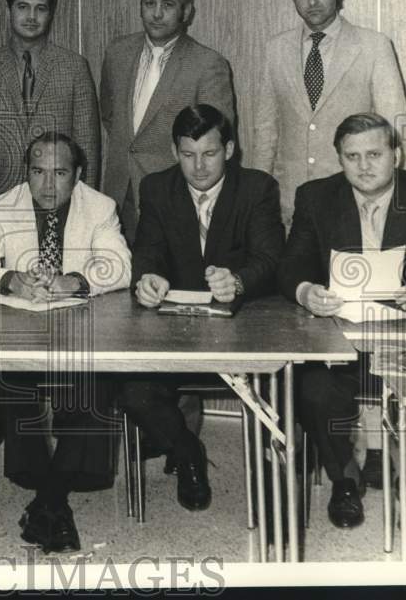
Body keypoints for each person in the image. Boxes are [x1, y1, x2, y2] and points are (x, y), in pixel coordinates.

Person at [278, 113, 406, 533]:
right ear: (339, 159)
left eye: (374, 154)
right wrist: (307, 291)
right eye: (352, 156)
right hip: (342, 338)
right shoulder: (316, 197)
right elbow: (291, 266)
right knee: (313, 390)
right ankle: (345, 478)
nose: (364, 166)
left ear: (396, 154)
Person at [0, 133, 131, 554]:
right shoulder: (1, 207)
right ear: (26, 173)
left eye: (59, 173)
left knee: (96, 381)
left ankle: (48, 502)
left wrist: (75, 280)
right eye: (37, 172)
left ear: (78, 175)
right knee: (11, 377)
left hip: (78, 335)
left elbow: (122, 266)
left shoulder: (100, 206)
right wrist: (9, 279)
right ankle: (50, 501)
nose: (48, 185)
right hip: (20, 338)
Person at [123, 104, 285, 511]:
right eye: (187, 154)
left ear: (229, 149)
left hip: (240, 328)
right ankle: (188, 450)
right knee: (130, 388)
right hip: (172, 330)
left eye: (209, 154)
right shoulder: (157, 188)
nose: (198, 167)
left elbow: (271, 259)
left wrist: (239, 280)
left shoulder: (257, 188)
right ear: (175, 151)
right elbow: (146, 253)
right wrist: (146, 280)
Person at [252, 0, 406, 226]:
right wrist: (256, 203)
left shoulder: (373, 47)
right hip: (290, 209)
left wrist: (391, 208)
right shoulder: (275, 49)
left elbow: (395, 132)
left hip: (356, 206)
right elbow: (266, 132)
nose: (312, 0)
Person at [100, 0, 235, 239]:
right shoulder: (118, 53)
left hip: (175, 199)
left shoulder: (207, 64)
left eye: (168, 5)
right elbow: (110, 115)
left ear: (186, 12)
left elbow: (214, 142)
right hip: (118, 195)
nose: (157, 14)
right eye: (149, 3)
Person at [0, 0, 100, 206]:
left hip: (59, 201)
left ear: (50, 14)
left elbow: (87, 150)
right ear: (9, 11)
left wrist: (82, 210)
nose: (32, 17)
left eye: (41, 9)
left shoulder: (74, 67)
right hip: (1, 202)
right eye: (23, 7)